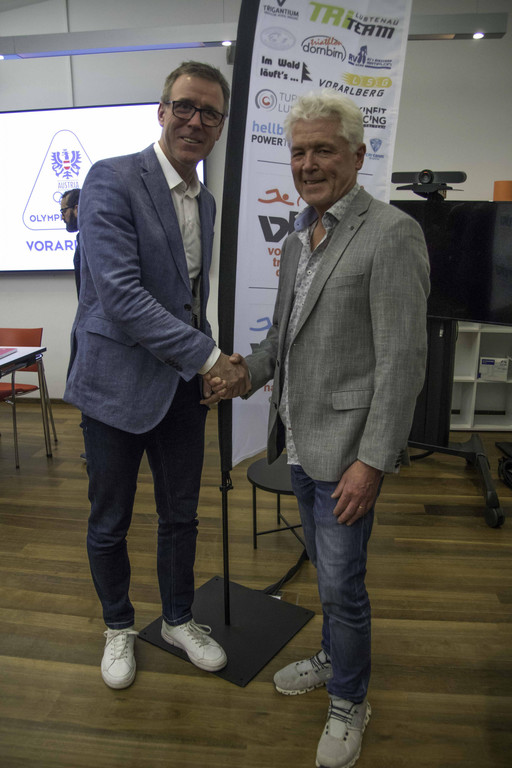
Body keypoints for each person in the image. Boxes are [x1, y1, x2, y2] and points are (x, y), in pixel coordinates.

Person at [206, 90, 430, 768]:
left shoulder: (391, 234)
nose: (308, 163)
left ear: (357, 156)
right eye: (299, 151)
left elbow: (402, 362)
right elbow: (283, 338)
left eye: (323, 150)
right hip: (300, 442)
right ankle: (334, 658)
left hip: (348, 455)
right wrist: (243, 374)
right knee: (330, 577)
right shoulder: (300, 236)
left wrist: (373, 462)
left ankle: (350, 700)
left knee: (341, 586)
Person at [64, 61, 249, 690]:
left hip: (179, 392)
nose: (196, 121)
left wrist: (207, 367)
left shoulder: (207, 201)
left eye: (210, 113)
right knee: (109, 520)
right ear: (162, 110)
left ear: (220, 126)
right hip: (114, 388)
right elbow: (120, 296)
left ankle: (177, 619)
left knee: (181, 516)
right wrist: (210, 358)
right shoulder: (111, 179)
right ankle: (118, 625)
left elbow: (188, 300)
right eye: (185, 107)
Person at [59, 187, 81, 296]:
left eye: (64, 211)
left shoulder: (91, 240)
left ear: (76, 209)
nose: (62, 217)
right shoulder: (82, 238)